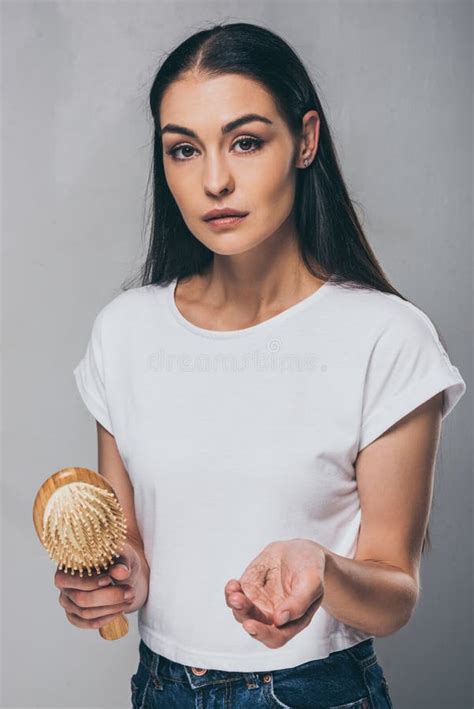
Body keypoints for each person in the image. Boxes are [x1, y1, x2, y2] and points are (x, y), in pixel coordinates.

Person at [58, 22, 466, 709]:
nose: (214, 179)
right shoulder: (125, 332)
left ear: (305, 140)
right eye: (183, 150)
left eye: (246, 141)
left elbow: (395, 592)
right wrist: (109, 582)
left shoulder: (385, 337)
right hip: (160, 686)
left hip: (315, 690)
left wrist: (325, 569)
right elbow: (131, 548)